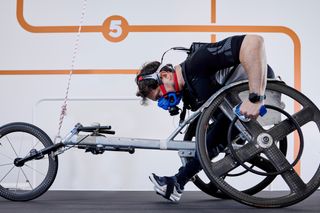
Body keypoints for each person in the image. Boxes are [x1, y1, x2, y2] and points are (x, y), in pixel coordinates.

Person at [135, 34, 274, 202]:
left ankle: (178, 182)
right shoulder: (190, 90)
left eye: (159, 96)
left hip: (259, 92)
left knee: (220, 129)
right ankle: (177, 182)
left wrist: (256, 97)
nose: (163, 103)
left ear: (165, 75)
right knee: (217, 130)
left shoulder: (198, 61)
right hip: (235, 109)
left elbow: (254, 41)